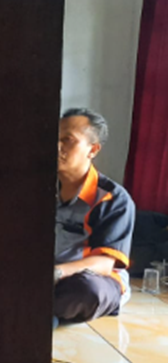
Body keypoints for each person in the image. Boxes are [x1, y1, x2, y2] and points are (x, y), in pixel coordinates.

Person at [54, 108, 135, 326]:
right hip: (47, 275)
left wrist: (56, 273)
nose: (57, 146)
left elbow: (104, 264)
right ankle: (45, 309)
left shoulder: (113, 198)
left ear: (93, 149)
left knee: (86, 290)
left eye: (67, 140)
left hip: (90, 277)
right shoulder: (39, 188)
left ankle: (41, 308)